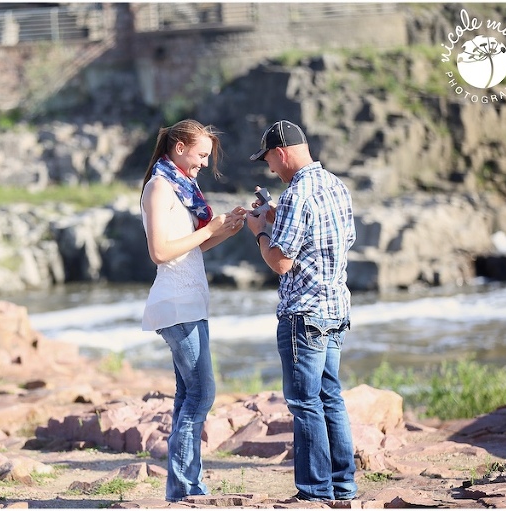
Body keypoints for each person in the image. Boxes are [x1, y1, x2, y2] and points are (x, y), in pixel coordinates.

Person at [245, 120, 358, 501]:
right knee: (331, 398)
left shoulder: (296, 194)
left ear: (281, 153)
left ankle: (313, 492)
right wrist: (277, 216)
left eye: (270, 162)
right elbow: (336, 239)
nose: (270, 170)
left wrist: (259, 231)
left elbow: (280, 262)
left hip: (303, 315)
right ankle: (343, 488)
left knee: (304, 403)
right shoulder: (335, 186)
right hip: (335, 308)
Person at [140, 118, 247, 502]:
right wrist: (208, 228)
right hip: (174, 303)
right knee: (202, 393)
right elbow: (160, 253)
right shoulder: (158, 187)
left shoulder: (184, 187)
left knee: (189, 395)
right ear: (179, 148)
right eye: (202, 154)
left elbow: (187, 251)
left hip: (190, 301)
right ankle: (186, 488)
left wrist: (226, 230)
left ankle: (181, 488)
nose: (204, 162)